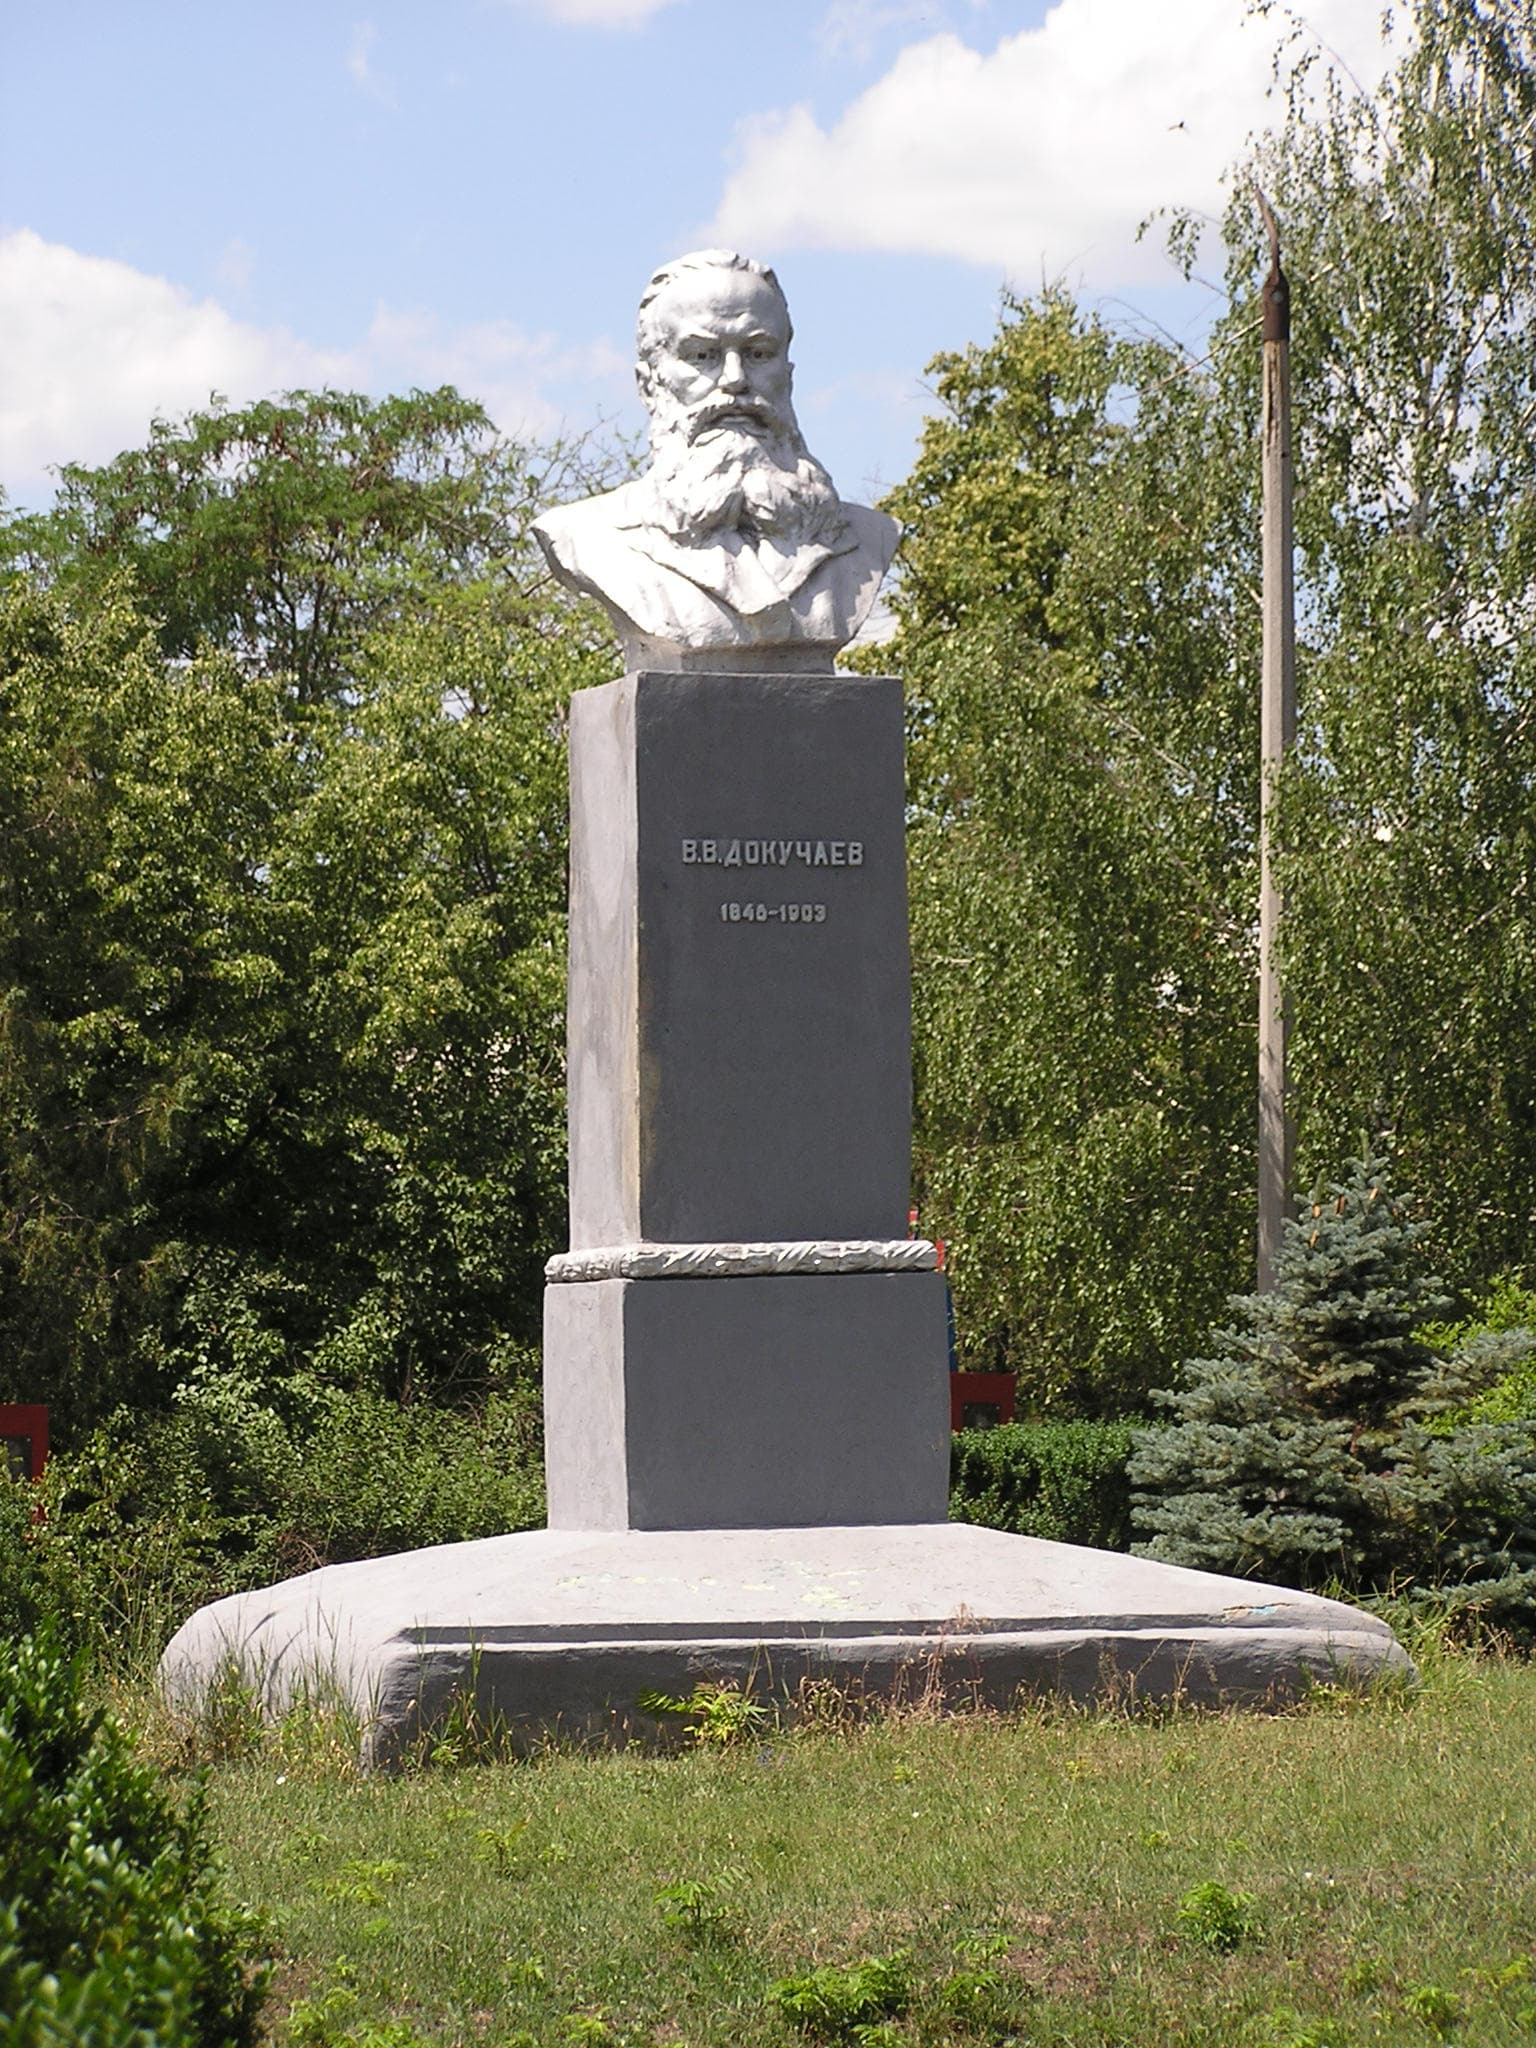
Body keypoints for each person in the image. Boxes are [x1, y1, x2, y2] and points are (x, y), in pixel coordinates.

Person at [534, 250, 898, 671]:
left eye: (758, 353)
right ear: (649, 385)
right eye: (702, 355)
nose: (735, 379)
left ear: (788, 375)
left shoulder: (868, 536)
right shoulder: (587, 535)